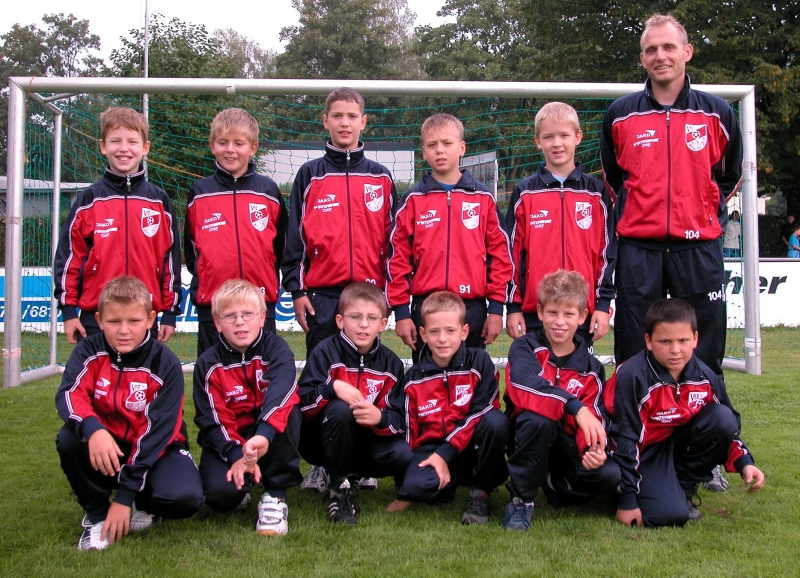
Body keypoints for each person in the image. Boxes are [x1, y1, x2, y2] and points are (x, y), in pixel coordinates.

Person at [600, 14, 743, 379]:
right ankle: (633, 426)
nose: (660, 55)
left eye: (668, 47)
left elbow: (729, 175)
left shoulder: (718, 112)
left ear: (687, 52)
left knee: (703, 343)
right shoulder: (619, 115)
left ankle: (706, 424)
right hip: (638, 249)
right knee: (634, 343)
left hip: (697, 248)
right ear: (643, 58)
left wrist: (702, 211)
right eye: (651, 49)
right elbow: (615, 181)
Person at [55, 276, 204, 551]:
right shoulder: (88, 351)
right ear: (99, 320)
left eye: (133, 321)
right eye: (114, 322)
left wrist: (124, 497)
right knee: (68, 438)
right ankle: (97, 515)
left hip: (157, 448)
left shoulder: (165, 363)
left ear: (150, 319)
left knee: (186, 499)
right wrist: (93, 429)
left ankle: (142, 503)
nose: (124, 330)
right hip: (108, 445)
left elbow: (158, 431)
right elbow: (69, 394)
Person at [609, 298, 765, 528]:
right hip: (644, 453)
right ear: (648, 341)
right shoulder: (632, 376)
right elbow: (625, 437)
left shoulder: (705, 377)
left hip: (678, 444)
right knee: (668, 517)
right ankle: (626, 489)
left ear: (695, 339)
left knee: (722, 417)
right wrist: (628, 499)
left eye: (683, 340)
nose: (675, 350)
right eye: (665, 341)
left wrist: (744, 463)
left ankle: (683, 487)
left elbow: (726, 427)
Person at [357, 292, 511, 525]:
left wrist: (445, 454)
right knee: (416, 488)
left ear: (464, 332)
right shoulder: (412, 379)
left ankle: (480, 492)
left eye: (450, 331)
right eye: (434, 331)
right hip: (433, 447)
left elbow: (482, 410)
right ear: (423, 334)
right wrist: (407, 486)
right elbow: (408, 432)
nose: (442, 339)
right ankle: (448, 481)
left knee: (495, 421)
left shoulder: (479, 362)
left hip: (472, 446)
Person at [387, 113, 514, 362]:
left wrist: (497, 309)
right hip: (426, 307)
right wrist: (401, 312)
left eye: (447, 143)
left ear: (462, 148)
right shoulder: (413, 200)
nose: (440, 150)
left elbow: (500, 255)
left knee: (473, 381)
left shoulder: (482, 198)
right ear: (423, 152)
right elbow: (397, 259)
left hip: (472, 308)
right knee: (427, 384)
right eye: (432, 145)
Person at [281, 87, 397, 357]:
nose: (344, 123)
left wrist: (390, 292)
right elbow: (294, 238)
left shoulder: (380, 177)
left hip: (369, 294)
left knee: (368, 373)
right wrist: (297, 292)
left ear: (363, 122)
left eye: (352, 116)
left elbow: (394, 242)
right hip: (322, 297)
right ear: (325, 121)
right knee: (322, 374)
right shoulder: (310, 175)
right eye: (337, 116)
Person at [502, 270, 619, 530]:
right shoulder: (525, 347)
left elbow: (594, 415)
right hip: (524, 435)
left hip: (564, 444)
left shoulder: (592, 368)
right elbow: (523, 387)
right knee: (539, 417)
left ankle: (554, 483)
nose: (560, 322)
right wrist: (573, 406)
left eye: (568, 314)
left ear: (582, 316)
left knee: (608, 475)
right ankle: (523, 500)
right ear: (540, 312)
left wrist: (592, 449)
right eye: (553, 313)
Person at [54, 107, 182, 345]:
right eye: (116, 141)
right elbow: (69, 257)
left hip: (143, 314)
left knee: (141, 380)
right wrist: (69, 310)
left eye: (132, 141)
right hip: (97, 315)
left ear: (145, 148)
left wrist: (170, 312)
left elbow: (170, 260)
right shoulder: (89, 200)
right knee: (97, 380)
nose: (124, 148)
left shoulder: (159, 201)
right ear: (103, 146)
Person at [296, 282, 412, 525]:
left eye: (371, 318)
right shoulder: (324, 352)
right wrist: (332, 388)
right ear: (340, 321)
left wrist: (379, 417)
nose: (363, 324)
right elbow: (302, 407)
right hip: (322, 442)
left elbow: (400, 420)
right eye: (355, 317)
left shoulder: (391, 364)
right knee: (340, 409)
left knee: (404, 454)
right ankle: (340, 489)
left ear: (383, 324)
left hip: (366, 445)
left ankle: (355, 474)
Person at [193, 279, 302, 536]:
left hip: (269, 436)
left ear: (262, 318)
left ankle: (275, 496)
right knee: (219, 497)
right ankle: (241, 487)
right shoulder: (207, 363)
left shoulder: (277, 348)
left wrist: (263, 436)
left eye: (247, 314)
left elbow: (282, 390)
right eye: (230, 316)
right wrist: (235, 454)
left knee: (289, 408)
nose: (240, 322)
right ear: (217, 324)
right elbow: (212, 419)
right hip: (232, 441)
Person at [506, 102, 616, 346]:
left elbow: (607, 254)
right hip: (536, 313)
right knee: (535, 379)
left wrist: (602, 304)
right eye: (548, 137)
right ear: (538, 141)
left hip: (579, 313)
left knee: (576, 381)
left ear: (577, 137)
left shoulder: (596, 193)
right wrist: (513, 306)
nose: (557, 143)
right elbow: (511, 254)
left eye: (564, 135)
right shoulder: (525, 193)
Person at [185, 108, 288, 356]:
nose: (230, 149)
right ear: (212, 145)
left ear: (252, 147)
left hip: (260, 302)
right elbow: (191, 250)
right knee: (213, 375)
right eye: (223, 142)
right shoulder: (200, 192)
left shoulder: (268, 190)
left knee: (263, 374)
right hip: (214, 304)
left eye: (238, 143)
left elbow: (281, 245)